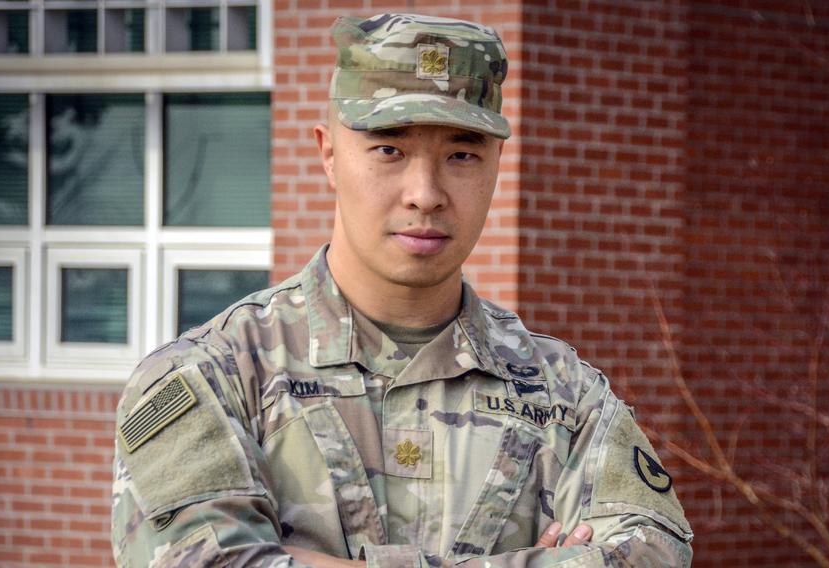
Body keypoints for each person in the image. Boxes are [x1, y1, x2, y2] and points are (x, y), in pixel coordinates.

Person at [111, 13, 693, 567]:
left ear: (496, 166)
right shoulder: (211, 377)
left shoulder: (565, 395)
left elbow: (655, 553)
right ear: (328, 153)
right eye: (389, 149)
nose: (426, 193)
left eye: (462, 154)